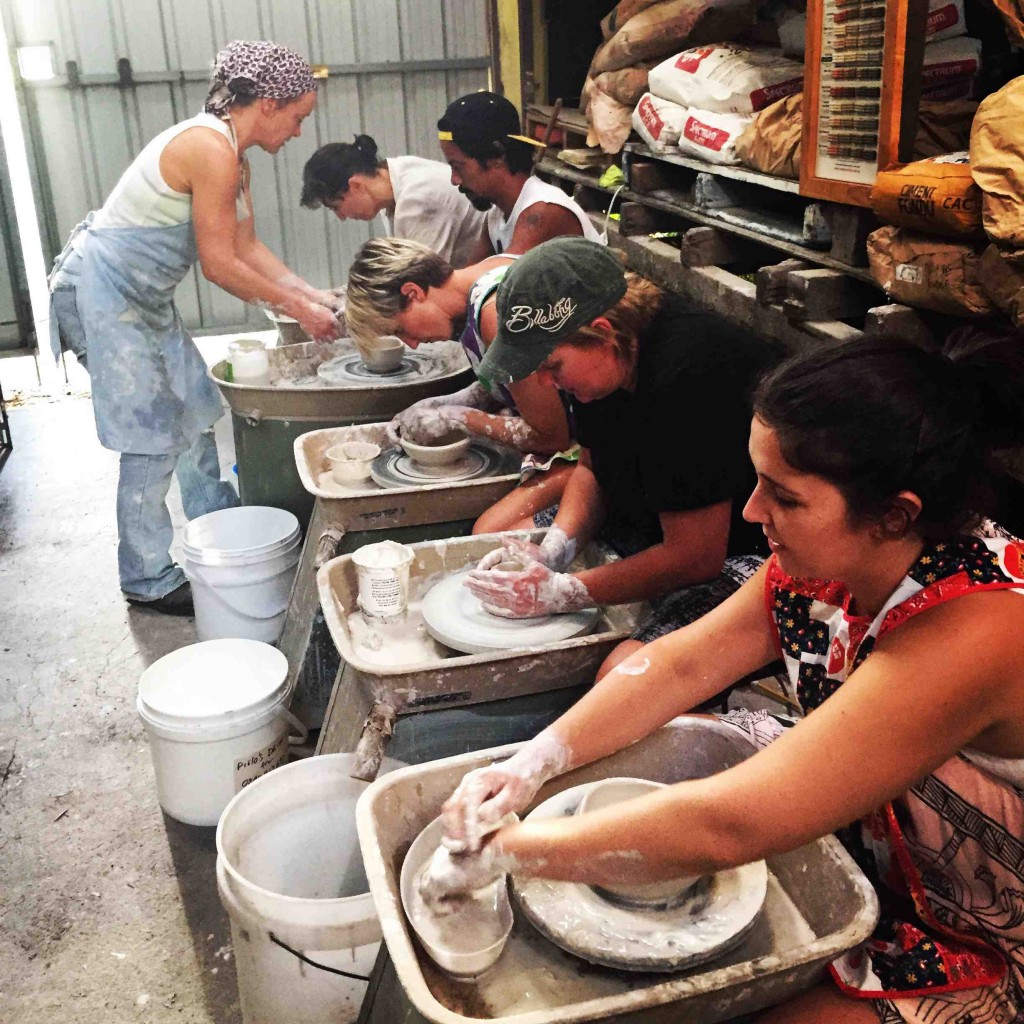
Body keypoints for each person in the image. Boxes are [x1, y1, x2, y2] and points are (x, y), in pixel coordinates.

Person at [424, 332, 1024, 1024]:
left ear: (896, 513)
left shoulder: (979, 628)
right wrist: (530, 764)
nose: (751, 513)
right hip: (893, 848)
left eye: (783, 497)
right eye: (757, 480)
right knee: (671, 744)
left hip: (993, 926)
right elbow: (681, 662)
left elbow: (732, 826)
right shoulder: (839, 556)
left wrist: (507, 855)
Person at [48, 40, 341, 615]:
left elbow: (246, 245)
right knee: (152, 438)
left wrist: (310, 293)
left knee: (196, 410)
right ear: (268, 104)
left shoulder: (234, 153)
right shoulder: (211, 150)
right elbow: (219, 265)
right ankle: (147, 577)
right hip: (100, 293)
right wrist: (301, 313)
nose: (300, 131)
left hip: (141, 299)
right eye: (299, 117)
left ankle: (221, 534)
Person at [463, 237, 776, 672]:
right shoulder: (601, 364)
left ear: (603, 333)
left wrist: (565, 591)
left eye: (551, 368)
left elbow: (695, 556)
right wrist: (554, 549)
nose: (546, 383)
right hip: (648, 511)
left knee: (623, 674)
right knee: (492, 539)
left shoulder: (692, 375)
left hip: (742, 551)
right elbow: (591, 467)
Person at [345, 238, 577, 529]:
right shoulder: (485, 272)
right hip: (577, 430)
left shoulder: (494, 311)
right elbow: (512, 381)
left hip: (601, 443)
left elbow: (551, 436)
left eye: (401, 330)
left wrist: (459, 418)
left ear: (413, 292)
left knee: (488, 532)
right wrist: (448, 402)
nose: (413, 345)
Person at [437, 91, 604, 258]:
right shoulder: (495, 216)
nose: (454, 180)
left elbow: (499, 273)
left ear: (498, 156)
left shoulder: (543, 210)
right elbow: (471, 276)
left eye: (458, 167)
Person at [300, 134, 489, 268]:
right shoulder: (390, 181)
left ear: (355, 185)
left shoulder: (418, 198)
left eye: (336, 207)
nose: (341, 217)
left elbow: (425, 283)